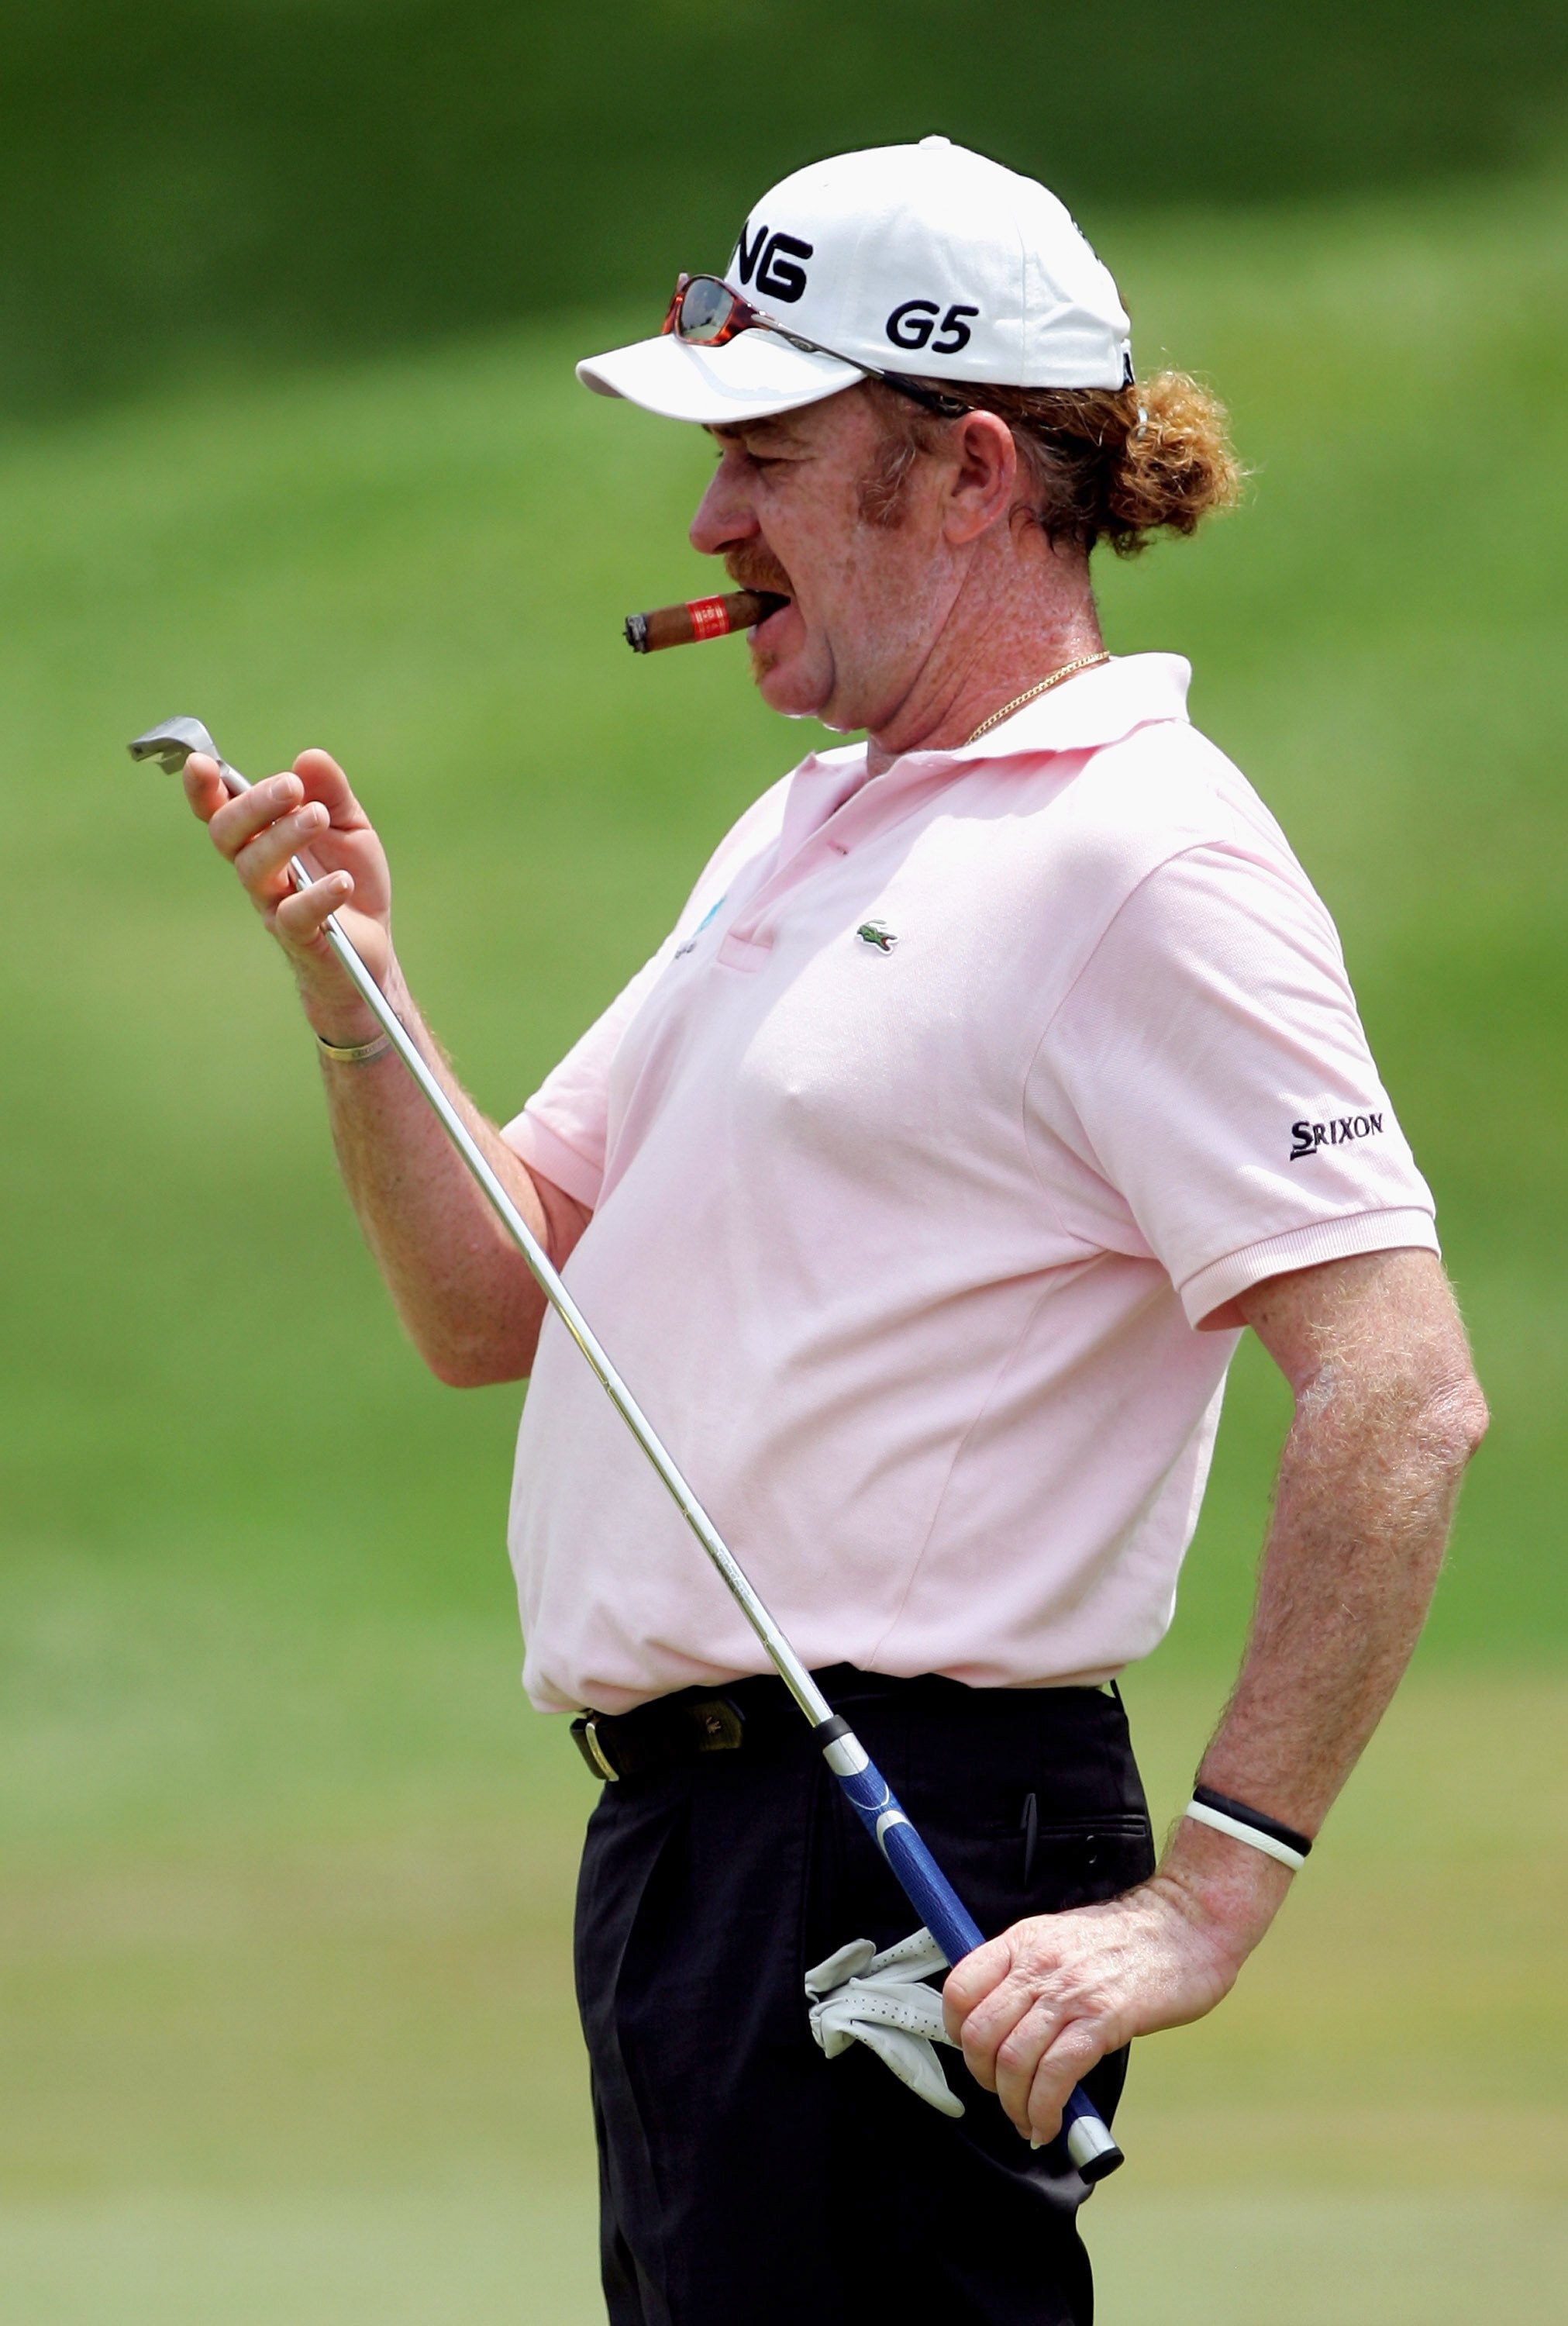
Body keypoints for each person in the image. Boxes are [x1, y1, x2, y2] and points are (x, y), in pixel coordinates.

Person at [182, 139, 1487, 2326]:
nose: (708, 526)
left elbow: (1404, 1389)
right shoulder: (808, 822)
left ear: (971, 475)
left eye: (769, 459)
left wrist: (1214, 1895)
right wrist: (362, 1000)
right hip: (691, 1862)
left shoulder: (1145, 862)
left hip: (907, 1835)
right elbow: (493, 1304)